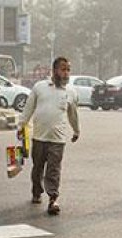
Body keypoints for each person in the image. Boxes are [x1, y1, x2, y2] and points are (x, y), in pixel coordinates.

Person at [17, 56, 80, 215]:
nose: (66, 73)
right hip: (39, 137)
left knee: (53, 170)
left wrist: (76, 130)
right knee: (37, 168)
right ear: (54, 70)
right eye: (63, 69)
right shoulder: (40, 87)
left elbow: (73, 114)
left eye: (68, 70)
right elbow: (28, 108)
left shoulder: (71, 92)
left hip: (58, 140)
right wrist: (21, 125)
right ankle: (36, 191)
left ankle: (53, 198)